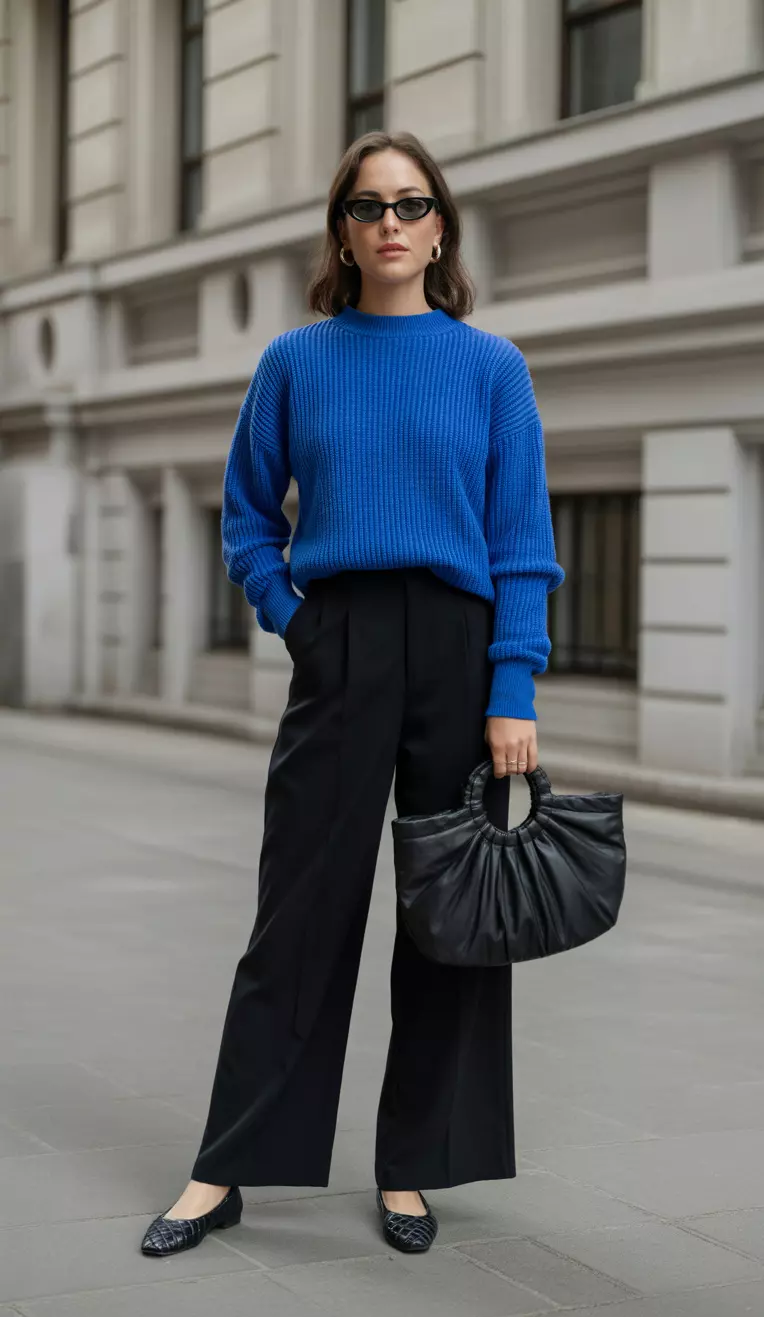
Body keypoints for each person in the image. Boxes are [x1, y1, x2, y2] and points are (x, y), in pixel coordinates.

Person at [140, 130, 564, 1259]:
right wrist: (295, 620)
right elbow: (244, 515)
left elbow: (523, 541)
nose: (389, 222)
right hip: (342, 642)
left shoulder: (490, 367)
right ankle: (224, 1168)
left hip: (461, 646)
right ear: (341, 228)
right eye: (368, 205)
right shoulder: (295, 360)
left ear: (439, 228)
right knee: (300, 909)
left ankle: (414, 1167)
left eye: (411, 203)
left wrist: (511, 685)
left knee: (446, 919)